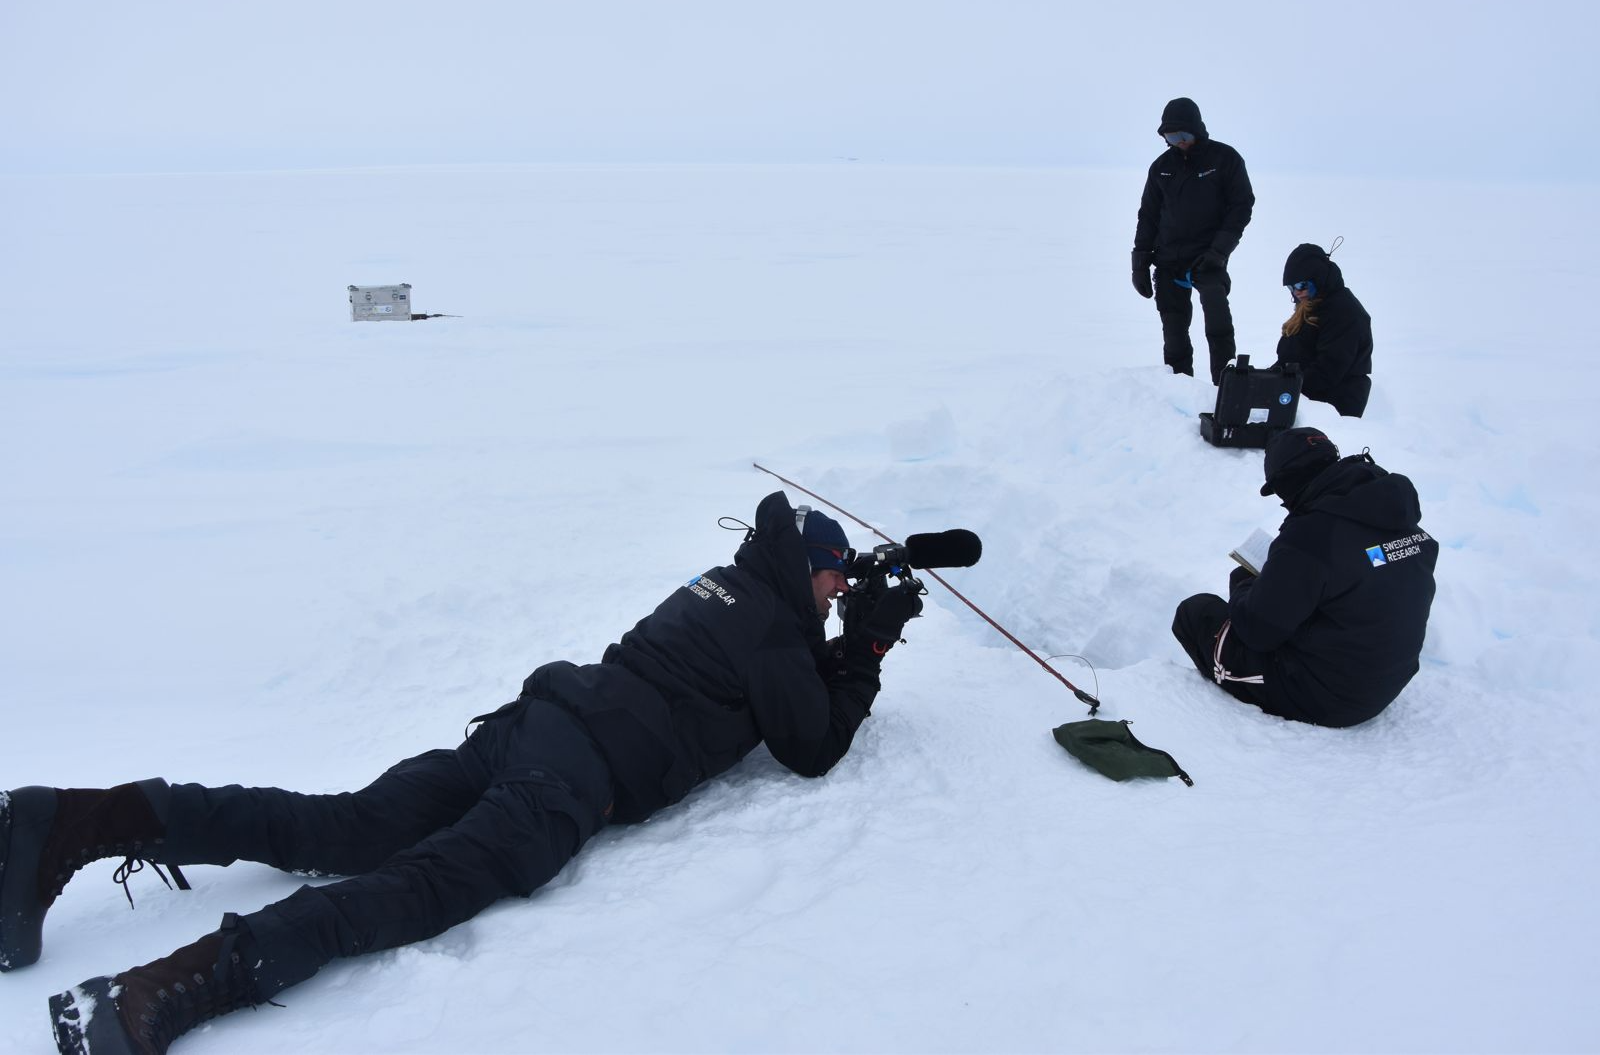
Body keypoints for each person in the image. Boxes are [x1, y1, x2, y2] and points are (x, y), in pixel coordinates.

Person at [1, 491, 925, 1054]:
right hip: (572, 777)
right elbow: (814, 746)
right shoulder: (775, 629)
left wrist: (838, 637)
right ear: (804, 570)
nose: (838, 593)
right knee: (420, 886)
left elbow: (785, 674)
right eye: (835, 581)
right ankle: (146, 995)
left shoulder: (722, 584)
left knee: (342, 826)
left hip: (527, 724)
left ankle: (70, 819)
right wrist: (871, 643)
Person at [1171, 427, 1437, 728]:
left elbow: (1256, 630)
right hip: (1385, 682)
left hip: (1326, 698)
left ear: (1287, 482)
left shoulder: (1311, 534)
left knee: (1196, 613)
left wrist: (1245, 580)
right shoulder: (1401, 519)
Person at [1132, 97, 1256, 383]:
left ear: (1197, 130)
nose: (1179, 142)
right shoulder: (1161, 167)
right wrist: (1140, 261)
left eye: (1183, 135)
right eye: (1170, 137)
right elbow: (1148, 215)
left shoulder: (1225, 159)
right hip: (1168, 261)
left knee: (1218, 327)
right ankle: (1179, 388)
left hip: (1208, 259)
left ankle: (1225, 387)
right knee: (1174, 333)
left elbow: (1241, 207)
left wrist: (1219, 251)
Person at [1275, 242, 1373, 417]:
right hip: (1301, 400)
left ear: (1318, 278)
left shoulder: (1344, 311)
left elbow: (1329, 369)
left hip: (1333, 409)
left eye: (1302, 285)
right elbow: (1290, 359)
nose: (1297, 292)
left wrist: (1284, 388)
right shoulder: (1308, 308)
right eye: (1292, 287)